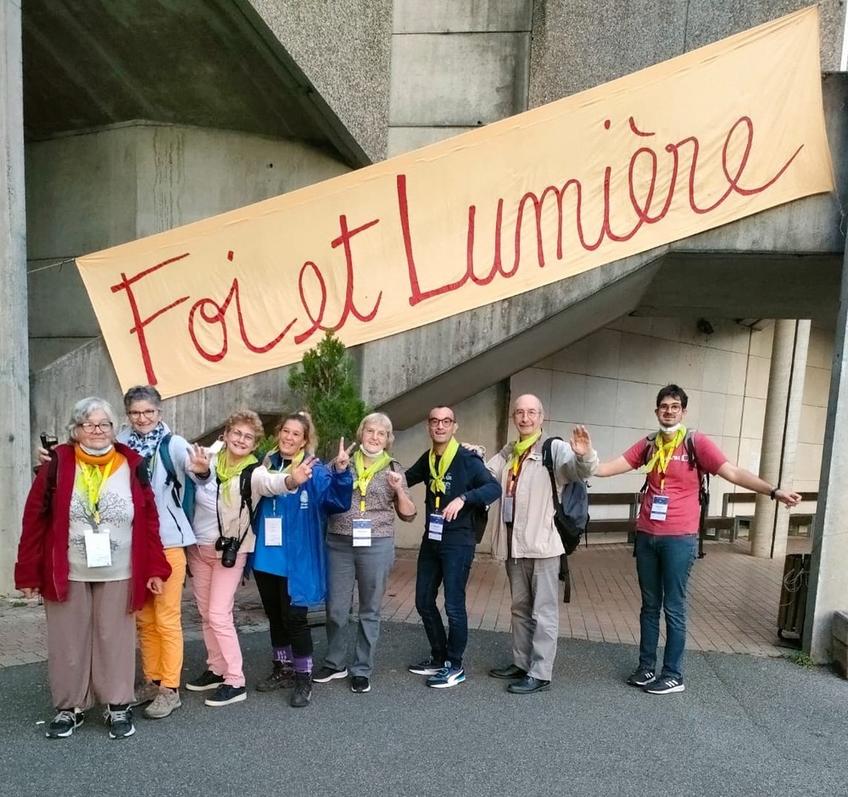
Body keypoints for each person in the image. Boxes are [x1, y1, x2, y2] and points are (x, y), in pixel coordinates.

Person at [593, 384, 801, 694]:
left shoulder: (695, 443)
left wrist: (773, 491)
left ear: (683, 411)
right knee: (649, 606)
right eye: (664, 406)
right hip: (647, 535)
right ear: (656, 411)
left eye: (675, 406)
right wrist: (585, 458)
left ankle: (673, 673)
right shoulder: (649, 444)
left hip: (679, 538)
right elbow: (608, 468)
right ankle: (646, 668)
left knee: (673, 607)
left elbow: (732, 472)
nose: (669, 410)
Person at [15, 397, 171, 740]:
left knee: (115, 639)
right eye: (90, 424)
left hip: (120, 569)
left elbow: (149, 519)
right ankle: (69, 708)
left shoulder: (131, 464)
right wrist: (27, 573)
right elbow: (34, 520)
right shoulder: (57, 463)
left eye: (105, 424)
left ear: (115, 429)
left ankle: (117, 705)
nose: (98, 430)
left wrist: (156, 568)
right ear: (76, 430)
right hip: (67, 570)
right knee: (68, 640)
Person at [486, 394, 599, 694]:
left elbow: (580, 470)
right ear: (514, 418)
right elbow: (485, 475)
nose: (525, 418)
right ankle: (521, 663)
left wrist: (585, 455)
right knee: (519, 608)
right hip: (514, 546)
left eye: (531, 412)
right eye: (520, 413)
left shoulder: (554, 448)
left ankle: (541, 672)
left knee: (543, 611)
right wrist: (470, 455)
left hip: (544, 546)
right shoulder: (510, 453)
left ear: (542, 416)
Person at [183, 409, 295, 708]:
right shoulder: (207, 457)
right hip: (199, 547)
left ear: (255, 442)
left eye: (248, 437)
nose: (242, 440)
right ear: (226, 434)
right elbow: (195, 473)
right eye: (237, 433)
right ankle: (216, 667)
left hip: (231, 552)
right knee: (206, 613)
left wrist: (292, 480)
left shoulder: (254, 472)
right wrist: (200, 469)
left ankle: (235, 679)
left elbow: (275, 483)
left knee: (219, 614)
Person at [116, 385, 208, 720]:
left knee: (167, 617)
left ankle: (170, 688)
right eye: (136, 412)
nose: (142, 418)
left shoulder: (175, 444)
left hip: (168, 542)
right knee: (143, 618)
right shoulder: (119, 444)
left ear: (160, 412)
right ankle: (152, 680)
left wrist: (201, 470)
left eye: (148, 412)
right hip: (131, 543)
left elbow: (201, 479)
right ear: (128, 414)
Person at [251, 411, 353, 707]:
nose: (289, 437)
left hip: (297, 558)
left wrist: (343, 473)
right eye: (286, 431)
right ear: (278, 433)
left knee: (295, 618)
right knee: (275, 616)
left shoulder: (314, 470)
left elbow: (337, 502)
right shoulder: (265, 465)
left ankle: (303, 677)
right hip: (266, 556)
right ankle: (281, 668)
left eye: (296, 433)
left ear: (305, 440)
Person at [313, 412, 416, 694]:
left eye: (381, 434)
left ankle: (361, 668)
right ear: (361, 434)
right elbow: (324, 492)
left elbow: (409, 514)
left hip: (376, 542)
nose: (374, 437)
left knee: (369, 609)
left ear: (388, 439)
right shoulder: (342, 461)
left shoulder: (393, 468)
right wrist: (338, 469)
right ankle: (335, 663)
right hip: (339, 542)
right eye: (370, 431)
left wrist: (399, 490)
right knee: (335, 608)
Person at [403, 406, 501, 689]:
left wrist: (464, 498)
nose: (440, 426)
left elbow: (493, 488)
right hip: (431, 539)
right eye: (434, 421)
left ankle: (454, 665)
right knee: (423, 601)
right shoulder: (430, 458)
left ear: (454, 427)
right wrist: (392, 478)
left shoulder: (466, 459)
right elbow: (406, 478)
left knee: (454, 606)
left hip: (458, 541)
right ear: (428, 426)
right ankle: (438, 655)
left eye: (446, 422)